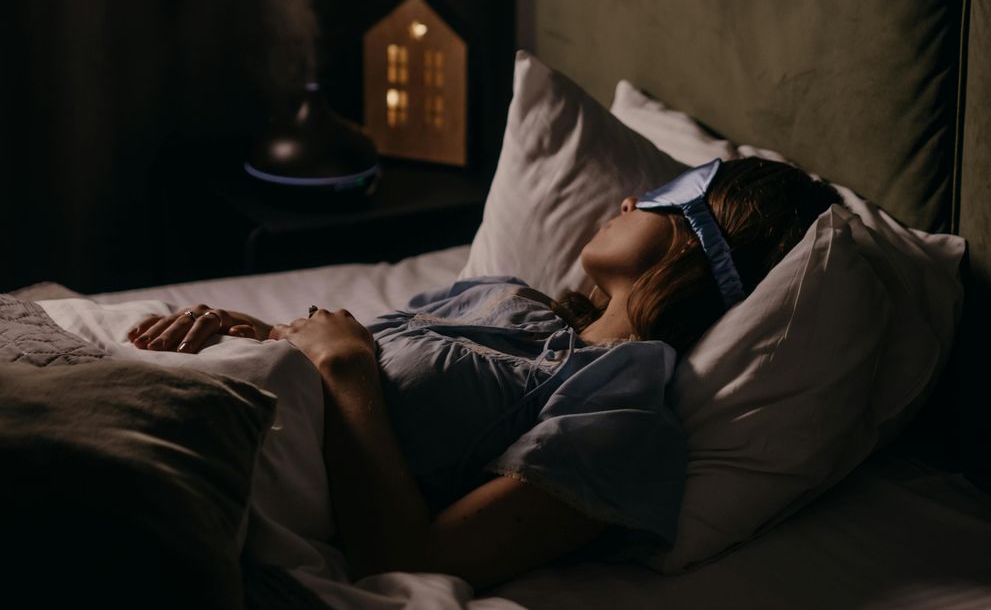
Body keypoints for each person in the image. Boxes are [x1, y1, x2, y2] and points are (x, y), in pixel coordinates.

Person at [128, 157, 841, 589]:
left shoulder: (623, 414)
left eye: (660, 196)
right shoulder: (501, 293)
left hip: (205, 461)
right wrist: (250, 333)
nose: (626, 200)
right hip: (185, 380)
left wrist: (344, 365)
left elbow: (409, 556)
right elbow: (322, 348)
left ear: (705, 243)